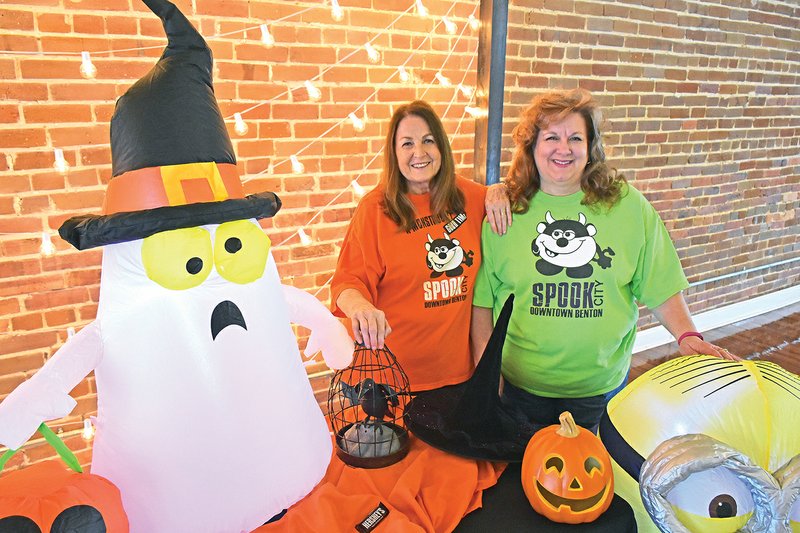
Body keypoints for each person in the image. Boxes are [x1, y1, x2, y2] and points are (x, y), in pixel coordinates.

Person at [471, 88, 738, 432]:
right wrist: (487, 382)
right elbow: (483, 305)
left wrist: (687, 334)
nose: (563, 148)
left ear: (590, 147)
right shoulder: (505, 213)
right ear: (532, 147)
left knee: (595, 478)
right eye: (551, 137)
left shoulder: (626, 206)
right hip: (521, 392)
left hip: (600, 392)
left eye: (575, 138)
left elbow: (659, 281)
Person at [331, 100, 510, 392]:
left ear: (441, 147)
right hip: (391, 379)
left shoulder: (473, 198)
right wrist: (360, 307)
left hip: (459, 377)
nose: (419, 153)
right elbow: (347, 283)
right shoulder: (375, 210)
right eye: (407, 144)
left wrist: (502, 189)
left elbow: (513, 195)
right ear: (394, 152)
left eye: (428, 140)